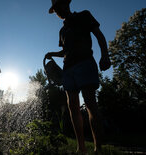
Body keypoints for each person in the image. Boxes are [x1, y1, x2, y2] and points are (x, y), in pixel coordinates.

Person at [45, 0, 111, 153]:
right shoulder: (62, 31)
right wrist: (52, 54)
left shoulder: (84, 15)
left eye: (58, 7)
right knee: (73, 107)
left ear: (66, 3)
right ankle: (81, 148)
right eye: (55, 10)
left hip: (85, 62)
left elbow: (99, 35)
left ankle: (98, 148)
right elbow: (64, 52)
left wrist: (105, 56)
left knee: (90, 103)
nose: (58, 11)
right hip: (68, 69)